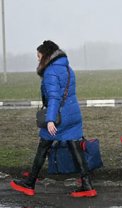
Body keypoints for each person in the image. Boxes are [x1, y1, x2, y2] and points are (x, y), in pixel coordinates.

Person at [10, 40, 96, 198]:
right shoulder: (68, 69)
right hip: (73, 114)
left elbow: (54, 97)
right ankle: (87, 185)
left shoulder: (50, 72)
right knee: (75, 148)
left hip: (59, 117)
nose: (37, 59)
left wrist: (50, 120)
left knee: (43, 147)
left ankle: (30, 183)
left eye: (39, 55)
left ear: (46, 55)